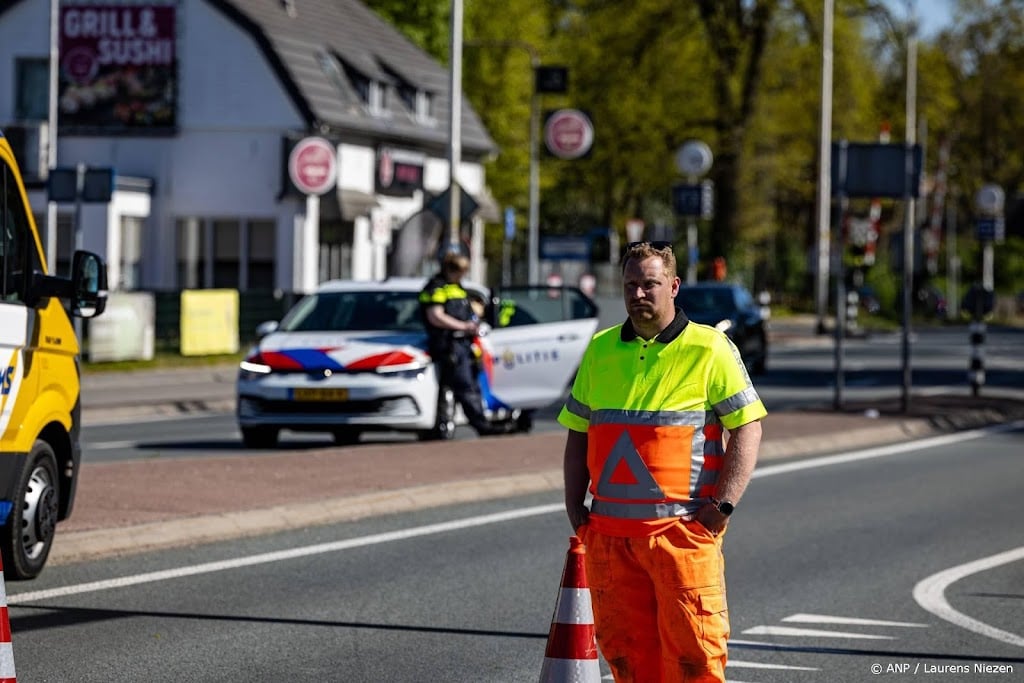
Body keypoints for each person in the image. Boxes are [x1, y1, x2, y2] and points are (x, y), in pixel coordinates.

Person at [558, 241, 766, 682]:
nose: (638, 294)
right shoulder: (600, 349)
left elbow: (747, 427)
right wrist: (576, 509)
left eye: (649, 284)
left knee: (696, 660)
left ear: (672, 286)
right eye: (630, 284)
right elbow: (578, 432)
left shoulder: (709, 348)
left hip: (681, 536)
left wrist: (722, 506)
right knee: (628, 661)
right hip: (611, 541)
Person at [419, 252, 504, 437]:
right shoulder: (436, 287)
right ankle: (481, 425)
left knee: (454, 387)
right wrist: (464, 326)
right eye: (461, 271)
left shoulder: (456, 286)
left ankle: (442, 426)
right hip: (449, 344)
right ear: (450, 269)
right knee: (464, 386)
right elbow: (435, 316)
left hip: (463, 343)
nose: (463, 275)